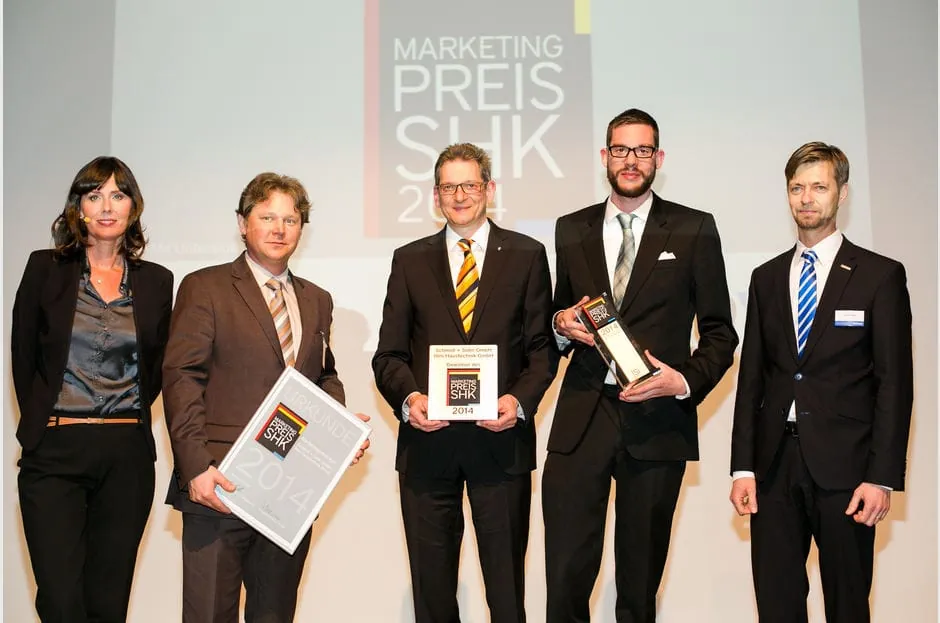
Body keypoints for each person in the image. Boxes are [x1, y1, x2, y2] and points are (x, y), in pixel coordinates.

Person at [543, 108, 738, 622]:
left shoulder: (694, 228)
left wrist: (683, 382)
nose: (631, 160)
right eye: (621, 150)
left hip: (657, 422)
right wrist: (561, 323)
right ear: (604, 156)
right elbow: (556, 316)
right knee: (564, 578)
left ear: (659, 158)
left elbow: (721, 334)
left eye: (643, 150)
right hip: (582, 419)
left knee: (639, 585)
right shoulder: (571, 229)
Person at [161, 172, 369, 623]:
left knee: (274, 614)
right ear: (243, 223)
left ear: (301, 228)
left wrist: (340, 432)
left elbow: (323, 375)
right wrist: (195, 467)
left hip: (290, 491)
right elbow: (182, 378)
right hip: (219, 484)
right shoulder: (205, 286)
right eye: (267, 217)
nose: (279, 229)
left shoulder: (317, 299)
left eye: (290, 220)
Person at [372, 143, 558, 623]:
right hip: (427, 448)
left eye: (470, 185)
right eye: (449, 187)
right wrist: (410, 398)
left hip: (501, 445)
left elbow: (542, 350)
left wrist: (518, 401)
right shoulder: (409, 260)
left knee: (507, 594)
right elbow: (388, 355)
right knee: (432, 597)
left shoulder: (528, 254)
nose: (459, 196)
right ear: (435, 196)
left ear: (489, 189)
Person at [729, 142, 913, 622]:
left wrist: (881, 477)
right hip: (773, 468)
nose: (806, 198)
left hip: (848, 471)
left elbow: (895, 385)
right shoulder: (765, 278)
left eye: (818, 187)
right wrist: (742, 468)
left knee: (847, 606)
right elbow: (752, 379)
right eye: (796, 188)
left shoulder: (880, 276)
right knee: (776, 605)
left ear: (842, 193)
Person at [11, 156, 173, 622]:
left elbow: (156, 367)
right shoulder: (45, 269)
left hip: (126, 455)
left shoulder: (157, 281)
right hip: (55, 451)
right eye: (94, 195)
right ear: (78, 207)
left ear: (133, 208)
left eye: (118, 195)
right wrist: (42, 426)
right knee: (60, 600)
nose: (106, 206)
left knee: (108, 603)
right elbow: (23, 356)